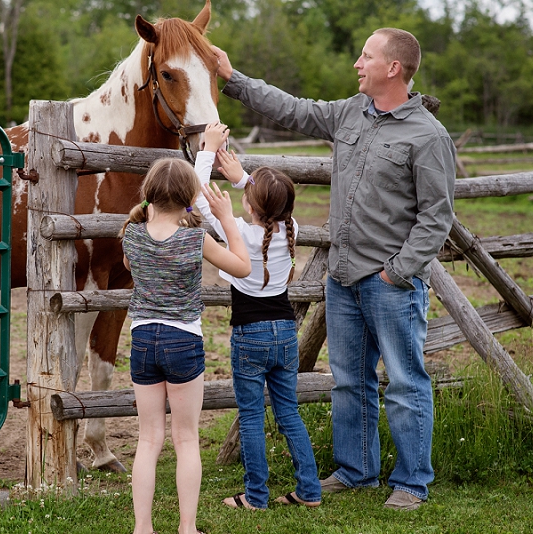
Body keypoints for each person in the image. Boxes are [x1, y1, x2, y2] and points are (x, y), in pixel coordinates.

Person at [211, 27, 456, 511]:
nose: (356, 64)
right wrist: (232, 78)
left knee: (405, 381)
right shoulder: (349, 113)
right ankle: (356, 471)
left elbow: (436, 217)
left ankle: (411, 483)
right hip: (342, 280)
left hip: (391, 282)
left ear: (393, 68)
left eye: (366, 56)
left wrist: (397, 272)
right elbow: (293, 108)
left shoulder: (428, 135)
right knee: (349, 381)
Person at [193, 123, 321, 511]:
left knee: (251, 416)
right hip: (285, 333)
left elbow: (196, 202)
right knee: (288, 412)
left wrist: (207, 152)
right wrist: (244, 178)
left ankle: (256, 496)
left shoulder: (239, 233)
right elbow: (271, 201)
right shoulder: (291, 227)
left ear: (251, 207)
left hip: (249, 335)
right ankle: (310, 491)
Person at [121, 157, 251, 534]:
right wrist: (226, 219)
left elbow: (131, 266)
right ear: (189, 196)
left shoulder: (131, 233)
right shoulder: (196, 239)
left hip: (143, 339)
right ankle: (187, 528)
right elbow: (242, 267)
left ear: (149, 193)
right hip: (183, 340)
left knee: (148, 439)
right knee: (186, 438)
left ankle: (142, 528)